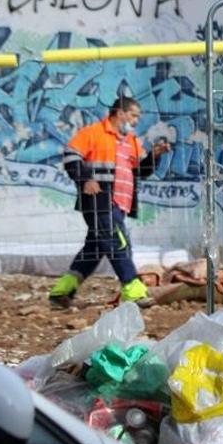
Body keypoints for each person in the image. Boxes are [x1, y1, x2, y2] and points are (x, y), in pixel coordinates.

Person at [48, 96, 169, 308]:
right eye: (134, 115)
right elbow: (70, 156)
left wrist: (155, 156)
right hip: (99, 201)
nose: (136, 120)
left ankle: (62, 291)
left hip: (120, 205)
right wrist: (85, 179)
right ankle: (134, 290)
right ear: (119, 113)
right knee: (118, 244)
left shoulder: (130, 141)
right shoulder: (93, 132)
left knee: (93, 250)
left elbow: (142, 170)